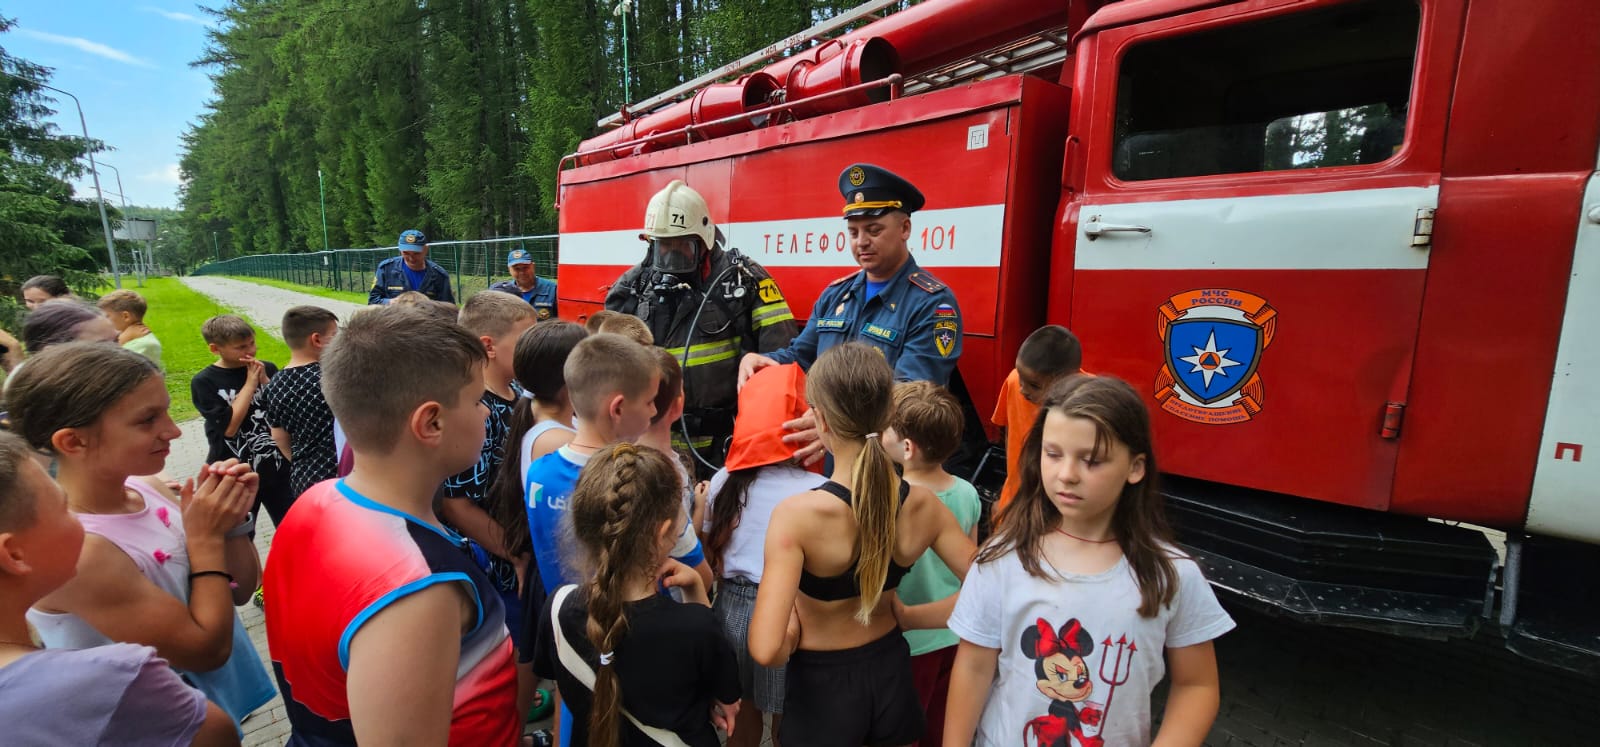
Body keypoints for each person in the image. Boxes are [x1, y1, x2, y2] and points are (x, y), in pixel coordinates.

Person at [263, 305, 518, 745]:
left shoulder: (315, 501)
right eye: (477, 401)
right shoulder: (421, 589)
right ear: (431, 422)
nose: (485, 414)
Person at [945, 376, 1235, 747]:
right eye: (1053, 454)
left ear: (1135, 467)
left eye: (1092, 460)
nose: (1066, 474)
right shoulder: (1004, 558)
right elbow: (973, 667)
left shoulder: (1172, 575)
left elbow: (1197, 684)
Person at [8, 343, 278, 726]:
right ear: (73, 441)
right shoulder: (78, 550)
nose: (172, 430)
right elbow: (204, 650)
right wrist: (203, 539)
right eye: (147, 419)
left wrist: (231, 522)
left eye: (167, 411)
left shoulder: (149, 487)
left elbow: (240, 590)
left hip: (214, 708)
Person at [748, 343, 975, 746]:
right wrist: (910, 617)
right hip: (892, 673)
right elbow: (989, 591)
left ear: (818, 418)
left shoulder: (798, 516)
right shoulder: (922, 504)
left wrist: (793, 630)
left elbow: (767, 650)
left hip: (822, 693)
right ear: (889, 414)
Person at [0, 431, 241, 746]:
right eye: (63, 507)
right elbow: (217, 736)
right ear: (14, 554)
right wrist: (207, 539)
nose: (174, 430)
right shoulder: (113, 678)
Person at [532, 443, 741, 746]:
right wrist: (697, 591)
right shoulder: (695, 625)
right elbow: (728, 697)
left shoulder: (559, 607)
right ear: (663, 533)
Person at [607, 180, 798, 471]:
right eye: (663, 246)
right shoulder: (633, 287)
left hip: (726, 445)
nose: (671, 255)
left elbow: (779, 360)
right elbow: (607, 366)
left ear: (705, 240)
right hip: (654, 445)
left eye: (683, 245)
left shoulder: (744, 281)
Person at [740, 163, 963, 390]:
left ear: (905, 229)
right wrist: (762, 360)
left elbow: (913, 397)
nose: (862, 242)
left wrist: (835, 423)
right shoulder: (835, 295)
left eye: (874, 230)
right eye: (853, 232)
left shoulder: (933, 305)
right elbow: (801, 355)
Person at [701, 363, 820, 746]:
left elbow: (709, 546)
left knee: (743, 713)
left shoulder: (723, 480)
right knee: (794, 714)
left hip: (731, 609)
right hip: (792, 612)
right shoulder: (820, 488)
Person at [485, 320, 588, 724]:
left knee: (537, 667)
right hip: (561, 576)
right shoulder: (558, 440)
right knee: (568, 681)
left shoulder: (540, 417)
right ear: (571, 381)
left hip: (549, 573)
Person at [883, 380, 981, 747]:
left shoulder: (897, 500)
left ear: (907, 448)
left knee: (905, 728)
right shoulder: (968, 492)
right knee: (941, 727)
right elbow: (971, 566)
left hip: (911, 642)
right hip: (954, 634)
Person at [440, 291, 538, 645]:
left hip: (525, 553)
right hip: (502, 568)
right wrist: (515, 555)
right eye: (526, 339)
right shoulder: (474, 409)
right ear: (489, 346)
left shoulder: (518, 391)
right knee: (512, 649)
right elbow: (457, 502)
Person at [190, 315, 292, 528]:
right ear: (215, 348)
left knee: (291, 526)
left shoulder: (267, 368)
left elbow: (284, 413)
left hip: (277, 467)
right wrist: (250, 383)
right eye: (240, 347)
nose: (251, 351)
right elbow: (229, 428)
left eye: (252, 343)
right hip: (236, 473)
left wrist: (265, 381)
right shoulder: (204, 382)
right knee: (241, 533)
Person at [634, 347, 715, 592]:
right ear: (679, 404)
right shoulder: (667, 476)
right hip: (669, 599)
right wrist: (701, 507)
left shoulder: (612, 460)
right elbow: (701, 575)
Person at [993, 325, 1083, 517]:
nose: (1022, 390)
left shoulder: (1089, 398)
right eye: (1021, 378)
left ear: (1067, 380)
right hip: (1016, 498)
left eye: (1034, 385)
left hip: (1055, 507)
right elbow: (1010, 434)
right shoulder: (1014, 380)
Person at [262, 305, 341, 499]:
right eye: (335, 335)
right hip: (341, 478)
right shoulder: (332, 378)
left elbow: (279, 437)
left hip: (304, 479)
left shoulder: (275, 384)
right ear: (317, 339)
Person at [368, 229, 455, 304]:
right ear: (400, 249)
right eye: (406, 253)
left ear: (425, 249)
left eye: (416, 253)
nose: (411, 258)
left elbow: (448, 309)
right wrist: (392, 302)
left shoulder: (439, 275)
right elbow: (373, 301)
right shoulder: (386, 269)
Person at [97, 289, 163, 368]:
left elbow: (107, 368)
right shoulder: (123, 336)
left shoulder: (144, 344)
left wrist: (120, 341)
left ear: (126, 316)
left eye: (106, 316)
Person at [490, 248, 559, 320]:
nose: (522, 272)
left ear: (533, 266)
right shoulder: (505, 292)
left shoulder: (551, 289)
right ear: (509, 270)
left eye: (525, 267)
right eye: (516, 269)